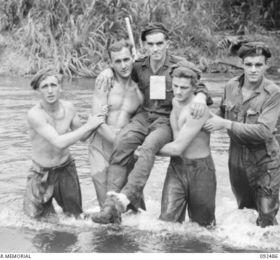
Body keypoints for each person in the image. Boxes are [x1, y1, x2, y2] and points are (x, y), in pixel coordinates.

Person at [92, 22, 212, 224]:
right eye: (150, 44)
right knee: (122, 143)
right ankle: (109, 207)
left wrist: (200, 97)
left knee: (148, 147)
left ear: (167, 43)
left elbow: (199, 84)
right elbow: (120, 67)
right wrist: (106, 71)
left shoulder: (179, 65)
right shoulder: (139, 66)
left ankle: (127, 196)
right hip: (143, 116)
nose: (155, 49)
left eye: (159, 44)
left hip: (165, 120)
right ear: (143, 45)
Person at [204, 42, 280, 227]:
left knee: (267, 217)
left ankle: (271, 254)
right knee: (245, 212)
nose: (253, 70)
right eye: (249, 64)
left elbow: (263, 131)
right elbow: (221, 114)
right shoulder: (230, 86)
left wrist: (226, 124)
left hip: (264, 161)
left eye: (258, 65)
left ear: (266, 65)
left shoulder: (273, 93)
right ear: (242, 64)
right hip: (236, 160)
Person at [23, 69, 104, 218]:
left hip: (66, 168)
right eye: (44, 86)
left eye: (53, 85)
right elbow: (59, 142)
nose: (50, 90)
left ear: (60, 87)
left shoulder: (69, 108)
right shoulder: (34, 114)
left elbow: (83, 136)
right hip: (40, 172)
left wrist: (99, 118)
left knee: (75, 218)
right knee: (33, 222)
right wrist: (89, 125)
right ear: (38, 91)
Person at [156, 63, 216, 227]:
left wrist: (147, 150)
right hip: (176, 166)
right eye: (175, 86)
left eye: (183, 87)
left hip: (200, 170)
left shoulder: (198, 109)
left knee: (203, 228)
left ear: (194, 88)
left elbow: (177, 148)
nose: (178, 91)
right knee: (166, 223)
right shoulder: (175, 102)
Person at [89, 39, 144, 208]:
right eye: (117, 61)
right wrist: (122, 143)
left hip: (125, 147)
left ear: (132, 58)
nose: (123, 65)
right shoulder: (105, 83)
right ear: (111, 63)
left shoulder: (140, 90)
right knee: (107, 204)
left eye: (126, 60)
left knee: (133, 205)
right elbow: (97, 121)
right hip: (102, 146)